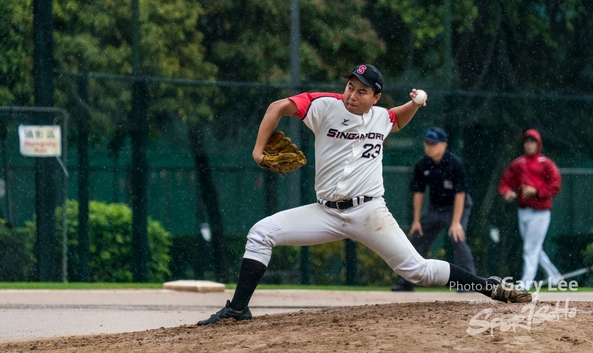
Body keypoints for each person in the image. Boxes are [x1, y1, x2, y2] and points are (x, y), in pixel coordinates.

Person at [197, 64, 531, 326]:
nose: (352, 94)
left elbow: (396, 118)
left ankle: (489, 286)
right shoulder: (324, 105)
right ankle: (238, 309)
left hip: (369, 213)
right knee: (261, 233)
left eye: (362, 91)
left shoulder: (380, 117)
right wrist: (258, 151)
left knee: (418, 271)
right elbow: (276, 107)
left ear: (375, 97)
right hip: (325, 212)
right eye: (350, 87)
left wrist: (415, 103)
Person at [391, 127, 476, 292]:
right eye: (427, 143)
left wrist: (456, 222)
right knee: (416, 238)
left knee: (457, 238)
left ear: (444, 145)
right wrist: (416, 221)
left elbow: (461, 194)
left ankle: (469, 283)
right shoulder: (423, 164)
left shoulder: (454, 163)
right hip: (435, 208)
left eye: (434, 143)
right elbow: (418, 192)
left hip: (457, 207)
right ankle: (405, 282)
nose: (429, 146)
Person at [498, 129, 562, 290]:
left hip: (541, 212)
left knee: (530, 248)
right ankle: (555, 277)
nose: (529, 144)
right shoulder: (519, 163)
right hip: (523, 211)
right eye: (527, 141)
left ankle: (525, 284)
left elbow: (555, 186)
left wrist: (537, 191)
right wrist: (507, 192)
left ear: (538, 143)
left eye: (532, 141)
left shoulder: (546, 163)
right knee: (534, 248)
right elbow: (505, 182)